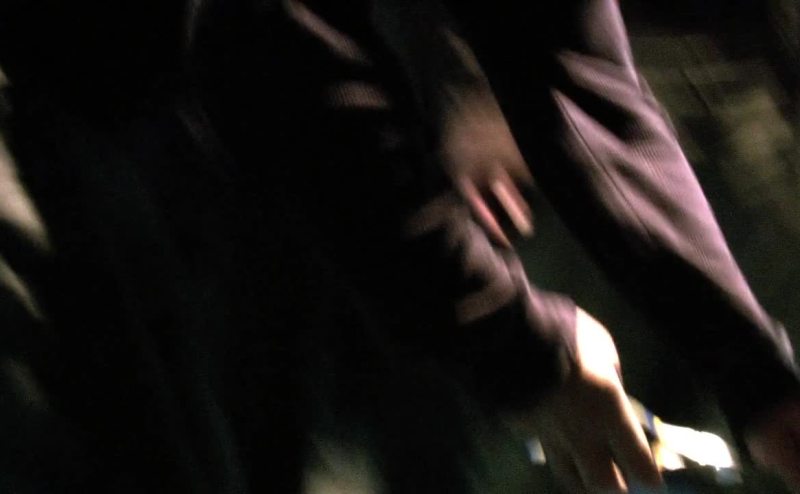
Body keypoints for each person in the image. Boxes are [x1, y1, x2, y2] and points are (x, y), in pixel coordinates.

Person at [0, 1, 797, 494]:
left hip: (131, 115)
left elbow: (575, 74)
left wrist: (761, 380)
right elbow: (275, 45)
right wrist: (522, 346)